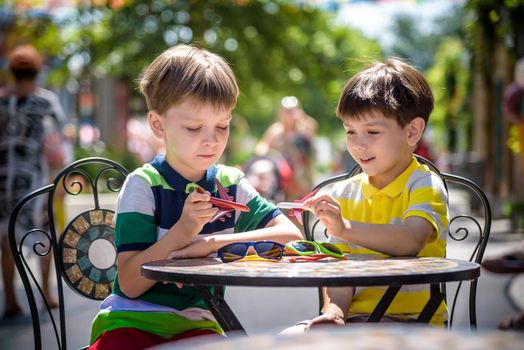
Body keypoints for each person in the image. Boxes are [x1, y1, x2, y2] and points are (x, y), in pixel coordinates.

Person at [89, 45, 302, 350]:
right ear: (158, 125)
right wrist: (181, 234)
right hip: (132, 321)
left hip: (199, 323)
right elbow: (130, 285)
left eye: (222, 126)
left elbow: (290, 235)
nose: (211, 140)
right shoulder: (144, 185)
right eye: (193, 127)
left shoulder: (229, 183)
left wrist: (210, 244)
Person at [282, 58, 449, 334]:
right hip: (354, 321)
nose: (359, 145)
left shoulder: (424, 184)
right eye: (350, 131)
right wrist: (335, 312)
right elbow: (340, 273)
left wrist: (346, 228)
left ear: (412, 131)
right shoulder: (344, 193)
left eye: (372, 132)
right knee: (283, 340)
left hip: (413, 323)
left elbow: (411, 240)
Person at [0, 44, 68, 319]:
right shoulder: (47, 102)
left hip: (4, 182)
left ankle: (10, 299)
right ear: (38, 71)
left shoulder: (2, 104)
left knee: (6, 239)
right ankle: (46, 293)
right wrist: (61, 182)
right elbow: (57, 147)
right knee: (44, 236)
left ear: (12, 72)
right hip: (37, 182)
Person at [255, 96, 318, 200]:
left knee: (304, 208)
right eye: (287, 111)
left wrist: (300, 118)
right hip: (284, 178)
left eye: (292, 110)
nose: (290, 114)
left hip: (302, 177)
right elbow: (262, 146)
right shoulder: (276, 130)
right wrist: (266, 152)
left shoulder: (304, 128)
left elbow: (311, 129)